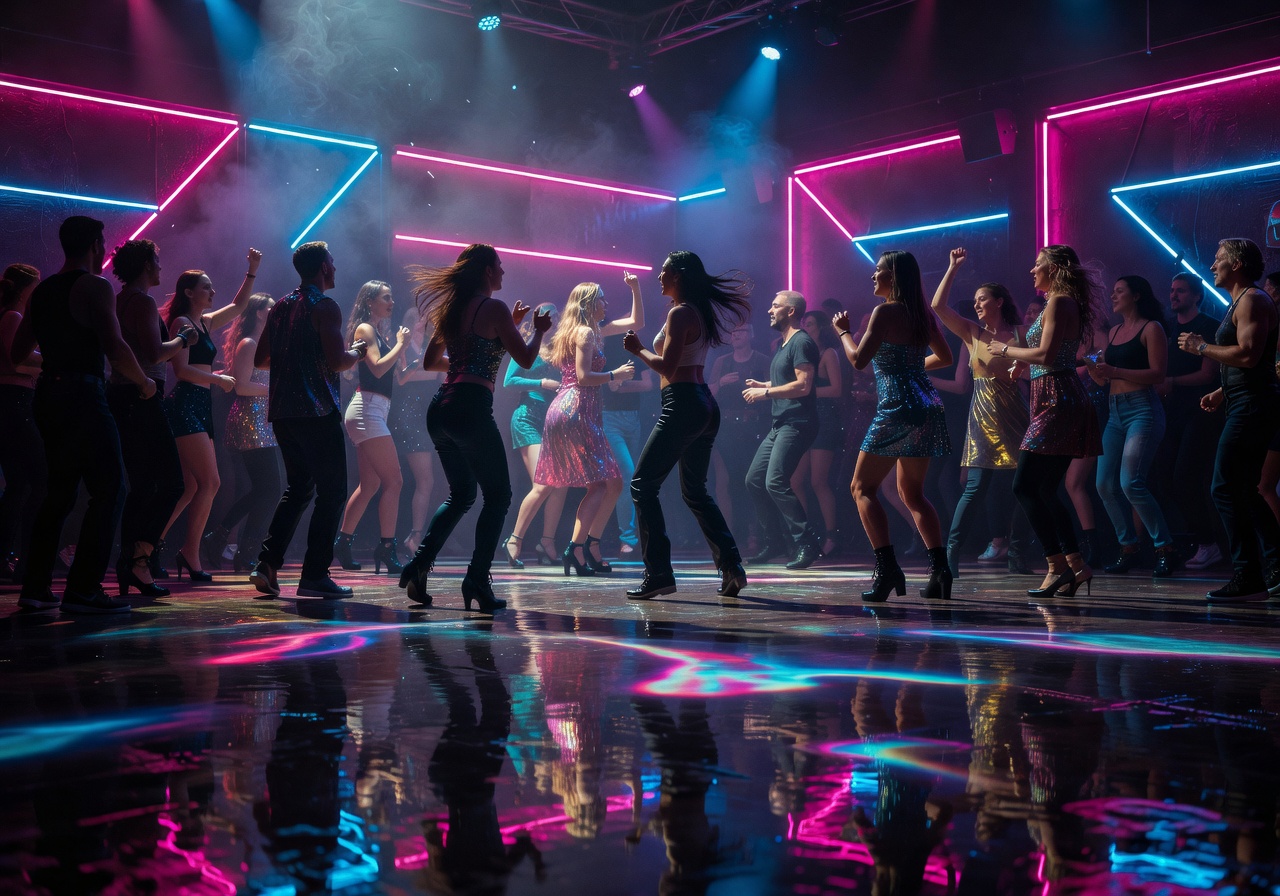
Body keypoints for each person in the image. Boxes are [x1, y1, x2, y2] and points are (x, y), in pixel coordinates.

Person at [11, 215, 156, 614]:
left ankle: (35, 588)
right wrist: (144, 382)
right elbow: (115, 346)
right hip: (83, 394)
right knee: (111, 489)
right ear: (95, 244)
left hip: (48, 395)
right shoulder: (95, 286)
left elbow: (18, 354)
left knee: (57, 493)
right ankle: (84, 589)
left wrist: (57, 362)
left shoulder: (41, 291)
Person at [396, 244, 551, 612]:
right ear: (485, 271)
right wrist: (538, 330)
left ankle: (418, 566)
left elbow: (432, 361)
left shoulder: (453, 309)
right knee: (498, 496)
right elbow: (527, 360)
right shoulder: (494, 308)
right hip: (470, 408)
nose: (503, 272)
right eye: (499, 266)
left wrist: (470, 355)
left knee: (462, 494)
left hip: (442, 409)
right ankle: (477, 579)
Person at [623, 250, 751, 599]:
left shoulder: (681, 313)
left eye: (664, 272)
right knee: (694, 491)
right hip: (702, 404)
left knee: (641, 485)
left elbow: (666, 367)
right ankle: (731, 566)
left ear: (678, 275)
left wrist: (636, 349)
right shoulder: (696, 311)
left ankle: (659, 574)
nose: (659, 277)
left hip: (683, 403)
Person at [250, 240, 368, 600]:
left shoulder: (281, 307)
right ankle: (315, 574)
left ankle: (266, 564)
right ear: (323, 269)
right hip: (316, 411)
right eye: (332, 262)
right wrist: (357, 353)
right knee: (332, 493)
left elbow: (261, 359)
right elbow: (336, 362)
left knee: (298, 489)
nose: (336, 267)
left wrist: (295, 360)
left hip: (284, 413)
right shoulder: (326, 306)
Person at [833, 250, 953, 602]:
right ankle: (940, 571)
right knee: (913, 494)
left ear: (893, 278)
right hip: (927, 406)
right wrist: (910, 369)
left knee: (861, 488)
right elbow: (945, 358)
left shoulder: (885, 312)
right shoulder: (921, 313)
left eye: (878, 272)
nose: (873, 277)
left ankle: (887, 571)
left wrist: (843, 333)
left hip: (896, 408)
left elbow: (858, 361)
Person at [990, 245, 1103, 599]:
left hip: (1058, 398)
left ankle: (1058, 566)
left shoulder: (1059, 302)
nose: (1032, 270)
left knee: (1024, 486)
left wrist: (1005, 350)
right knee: (1041, 489)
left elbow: (1048, 354)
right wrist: (1024, 366)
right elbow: (1045, 354)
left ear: (1054, 268)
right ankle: (1074, 567)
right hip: (1051, 395)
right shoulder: (1059, 301)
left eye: (1038, 264)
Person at [1174, 238, 1280, 602]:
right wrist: (1223, 391)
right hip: (1243, 401)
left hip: (1254, 405)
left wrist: (1201, 347)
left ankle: (1250, 572)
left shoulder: (1252, 298)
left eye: (1218, 259)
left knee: (1224, 487)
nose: (1212, 266)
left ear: (1236, 263)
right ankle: (1270, 570)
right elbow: (1250, 361)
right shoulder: (1242, 300)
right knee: (1244, 488)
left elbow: (1251, 355)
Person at [158, 251, 262, 580]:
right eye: (206, 287)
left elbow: (238, 307)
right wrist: (218, 378)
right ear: (189, 292)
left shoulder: (203, 321)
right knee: (211, 482)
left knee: (191, 488)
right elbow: (182, 370)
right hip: (186, 402)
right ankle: (187, 552)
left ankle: (149, 545)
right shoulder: (182, 323)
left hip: (200, 405)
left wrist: (251, 272)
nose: (212, 292)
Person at [929, 248, 1030, 579]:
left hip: (1015, 417)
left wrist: (1022, 372)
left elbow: (1038, 371)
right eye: (974, 300)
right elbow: (938, 307)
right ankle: (952, 556)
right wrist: (952, 268)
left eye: (982, 299)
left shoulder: (1020, 335)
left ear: (999, 302)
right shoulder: (972, 333)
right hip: (982, 420)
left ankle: (1018, 553)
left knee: (1021, 489)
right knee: (973, 490)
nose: (976, 304)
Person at [107, 239, 196, 598]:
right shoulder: (141, 301)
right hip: (141, 395)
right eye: (157, 261)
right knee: (173, 483)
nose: (161, 267)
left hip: (122, 395)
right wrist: (182, 339)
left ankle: (132, 563)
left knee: (142, 485)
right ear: (146, 265)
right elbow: (154, 353)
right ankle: (139, 559)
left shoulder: (120, 299)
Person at [535, 273, 641, 575]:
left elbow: (637, 322)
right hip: (575, 409)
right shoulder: (584, 333)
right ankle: (576, 548)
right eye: (602, 299)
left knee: (614, 483)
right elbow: (582, 378)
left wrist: (634, 288)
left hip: (578, 410)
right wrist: (614, 376)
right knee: (600, 485)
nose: (607, 304)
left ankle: (587, 546)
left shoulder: (591, 330)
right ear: (590, 303)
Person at [1086, 275, 1177, 577]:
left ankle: (1164, 548)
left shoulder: (1152, 328)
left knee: (1130, 483)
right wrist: (1096, 371)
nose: (1113, 296)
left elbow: (1157, 374)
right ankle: (1129, 548)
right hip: (1115, 413)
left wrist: (1114, 369)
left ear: (1136, 296)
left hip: (1143, 410)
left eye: (1119, 291)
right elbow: (1106, 379)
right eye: (1113, 291)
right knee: (1103, 484)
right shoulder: (1113, 331)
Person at [334, 280, 411, 576]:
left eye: (392, 297)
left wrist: (409, 353)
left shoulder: (381, 332)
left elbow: (397, 377)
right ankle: (387, 548)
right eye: (386, 297)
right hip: (367, 410)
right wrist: (401, 345)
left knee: (370, 485)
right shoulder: (365, 329)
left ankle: (342, 543)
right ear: (370, 302)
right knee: (395, 482)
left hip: (374, 409)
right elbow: (377, 367)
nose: (392, 302)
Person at [742, 290, 822, 570]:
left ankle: (806, 543)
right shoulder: (783, 344)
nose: (769, 310)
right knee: (754, 480)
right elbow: (787, 380)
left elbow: (804, 385)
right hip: (781, 423)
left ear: (791, 311)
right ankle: (774, 541)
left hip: (798, 422)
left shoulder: (801, 341)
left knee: (775, 481)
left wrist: (767, 394)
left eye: (775, 306)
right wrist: (765, 385)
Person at [1156, 273, 1222, 570]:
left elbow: (1208, 375)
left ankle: (1210, 544)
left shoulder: (1208, 326)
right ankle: (1191, 542)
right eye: (1171, 290)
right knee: (1164, 477)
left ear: (1197, 295)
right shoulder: (1167, 328)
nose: (1173, 295)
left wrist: (1172, 381)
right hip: (1171, 412)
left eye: (1180, 291)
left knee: (1186, 477)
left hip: (1201, 411)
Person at [213, 293, 279, 573]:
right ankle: (242, 549)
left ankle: (223, 539)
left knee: (266, 490)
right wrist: (275, 390)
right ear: (260, 313)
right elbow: (241, 386)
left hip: (263, 422)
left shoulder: (267, 344)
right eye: (272, 308)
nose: (277, 312)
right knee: (270, 489)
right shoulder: (249, 343)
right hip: (250, 421)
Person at [501, 303, 567, 568]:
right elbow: (509, 381)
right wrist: (542, 383)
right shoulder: (528, 345)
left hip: (552, 421)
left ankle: (546, 542)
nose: (552, 322)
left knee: (560, 484)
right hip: (527, 417)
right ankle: (514, 539)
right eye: (547, 317)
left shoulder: (561, 350)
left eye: (555, 317)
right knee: (543, 484)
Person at [707, 322, 770, 546]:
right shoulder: (721, 362)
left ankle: (757, 533)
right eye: (733, 332)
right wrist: (721, 382)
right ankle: (730, 532)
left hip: (754, 425)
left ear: (751, 335)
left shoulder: (762, 359)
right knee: (726, 480)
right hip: (726, 427)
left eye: (741, 331)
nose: (736, 335)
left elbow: (773, 391)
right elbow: (708, 392)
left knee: (753, 480)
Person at [0, 263, 43, 583]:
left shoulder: (12, 316)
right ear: (23, 289)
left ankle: (8, 555)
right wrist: (51, 361)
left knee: (19, 483)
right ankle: (18, 556)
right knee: (32, 480)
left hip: (15, 401)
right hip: (14, 402)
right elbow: (15, 360)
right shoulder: (13, 317)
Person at [792, 310, 845, 556]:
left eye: (810, 324)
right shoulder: (804, 354)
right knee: (794, 481)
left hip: (824, 421)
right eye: (803, 324)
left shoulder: (828, 354)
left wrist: (806, 391)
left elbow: (836, 389)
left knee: (818, 481)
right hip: (804, 420)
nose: (805, 328)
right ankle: (806, 537)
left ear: (821, 328)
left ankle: (832, 537)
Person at [388, 306, 439, 556]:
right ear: (412, 320)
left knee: (426, 481)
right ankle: (413, 537)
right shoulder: (402, 344)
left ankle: (414, 536)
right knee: (422, 479)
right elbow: (402, 378)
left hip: (428, 417)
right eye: (423, 317)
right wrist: (429, 371)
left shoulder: (431, 344)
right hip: (409, 417)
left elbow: (440, 374)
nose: (427, 321)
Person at [601, 330, 655, 559]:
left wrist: (622, 385)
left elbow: (647, 385)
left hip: (633, 419)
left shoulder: (634, 353)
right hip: (609, 418)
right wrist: (613, 380)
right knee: (627, 475)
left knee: (631, 479)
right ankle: (627, 539)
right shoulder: (603, 351)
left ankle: (630, 537)